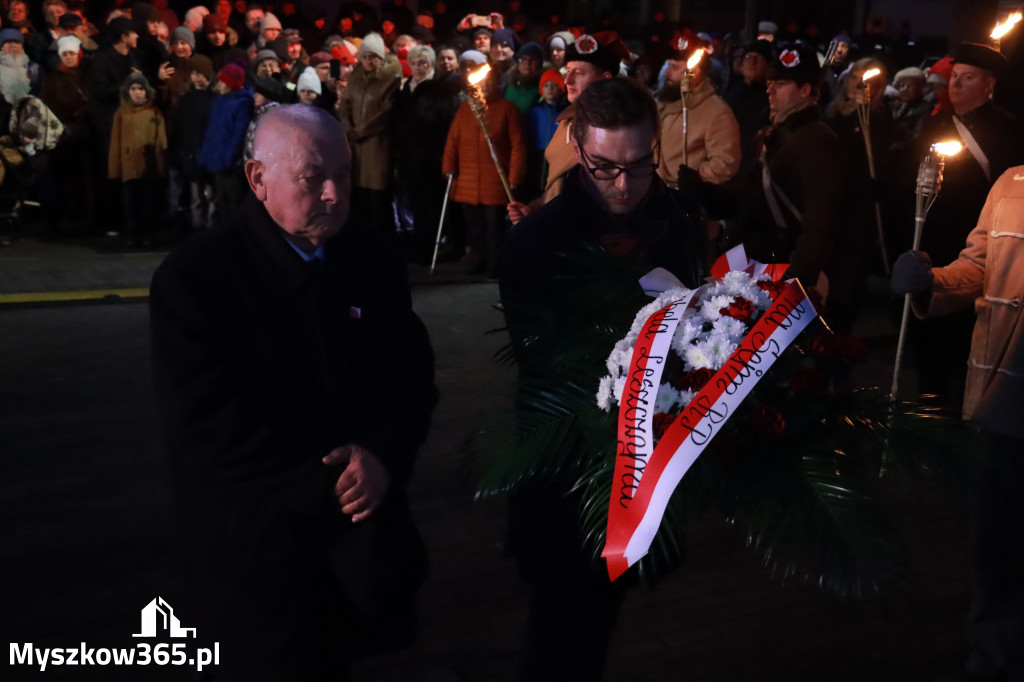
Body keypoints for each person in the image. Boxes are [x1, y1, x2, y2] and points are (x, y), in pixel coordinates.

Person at [150, 102, 436, 682]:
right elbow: (208, 423)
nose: (333, 194)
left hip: (361, 545)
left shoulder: (372, 255)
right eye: (312, 178)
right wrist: (330, 481)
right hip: (257, 551)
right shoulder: (197, 278)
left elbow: (411, 376)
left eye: (344, 175)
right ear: (258, 179)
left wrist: (383, 456)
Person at [499, 76, 705, 682]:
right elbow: (543, 365)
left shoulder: (679, 218)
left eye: (640, 166)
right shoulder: (537, 241)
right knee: (559, 635)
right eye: (605, 167)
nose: (623, 185)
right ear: (576, 146)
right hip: (567, 473)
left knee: (600, 626)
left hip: (650, 469)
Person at [891, 164, 1024, 682]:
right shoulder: (1012, 183)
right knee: (995, 546)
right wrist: (930, 280)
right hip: (1000, 402)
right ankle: (991, 658)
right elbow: (979, 268)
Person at [908, 43, 1024, 409]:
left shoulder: (1008, 130)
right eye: (954, 77)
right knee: (928, 348)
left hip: (987, 247)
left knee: (966, 348)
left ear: (990, 85)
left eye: (967, 78)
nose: (955, 85)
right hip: (938, 245)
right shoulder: (933, 124)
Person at [506, 31, 629, 224]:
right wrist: (535, 209)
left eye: (578, 73)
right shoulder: (567, 122)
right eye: (567, 70)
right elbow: (556, 187)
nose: (567, 80)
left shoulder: (620, 128)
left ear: (605, 78)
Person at [442, 64, 526, 276]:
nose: (486, 86)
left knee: (494, 228)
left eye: (489, 82)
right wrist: (449, 167)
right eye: (482, 83)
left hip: (495, 182)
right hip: (468, 182)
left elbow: (518, 144)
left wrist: (515, 176)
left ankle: (495, 265)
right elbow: (453, 141)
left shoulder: (507, 109)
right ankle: (477, 261)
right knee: (475, 228)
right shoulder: (465, 109)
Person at [655, 30, 741, 188]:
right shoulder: (665, 104)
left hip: (684, 197)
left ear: (694, 72)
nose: (667, 73)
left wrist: (694, 176)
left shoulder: (716, 112)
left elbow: (726, 162)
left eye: (674, 67)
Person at [339, 32, 401, 228]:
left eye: (373, 57)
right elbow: (345, 105)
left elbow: (386, 112)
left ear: (380, 58)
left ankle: (383, 242)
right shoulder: (356, 75)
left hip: (377, 145)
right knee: (359, 197)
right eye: (365, 57)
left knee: (378, 199)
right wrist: (348, 129)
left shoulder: (390, 78)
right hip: (355, 145)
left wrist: (361, 131)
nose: (368, 61)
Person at [108, 72, 166, 246]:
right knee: (130, 204)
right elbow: (115, 142)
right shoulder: (121, 112)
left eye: (141, 88)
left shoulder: (154, 112)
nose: (137, 92)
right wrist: (114, 168)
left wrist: (160, 165)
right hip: (128, 165)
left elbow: (160, 140)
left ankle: (147, 234)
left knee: (147, 203)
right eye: (133, 89)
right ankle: (133, 235)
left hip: (148, 166)